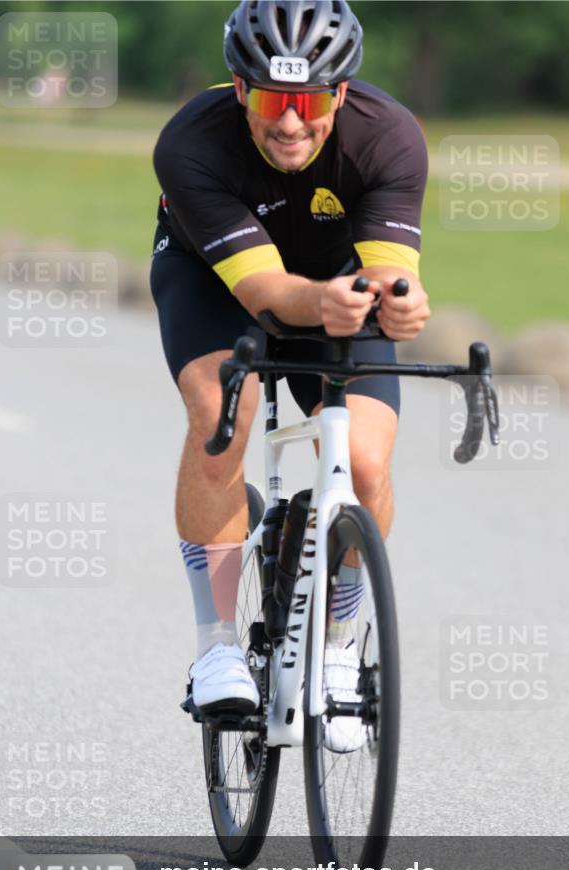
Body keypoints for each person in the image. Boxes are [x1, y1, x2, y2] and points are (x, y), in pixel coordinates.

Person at [151, 0, 430, 742]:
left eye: (310, 102)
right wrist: (325, 302)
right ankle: (216, 647)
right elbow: (266, 295)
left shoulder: (389, 136)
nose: (291, 123)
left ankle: (337, 647)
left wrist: (399, 301)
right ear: (241, 89)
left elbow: (388, 270)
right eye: (273, 101)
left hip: (338, 281)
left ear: (341, 93)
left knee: (365, 463)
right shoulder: (190, 143)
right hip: (213, 280)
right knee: (222, 412)